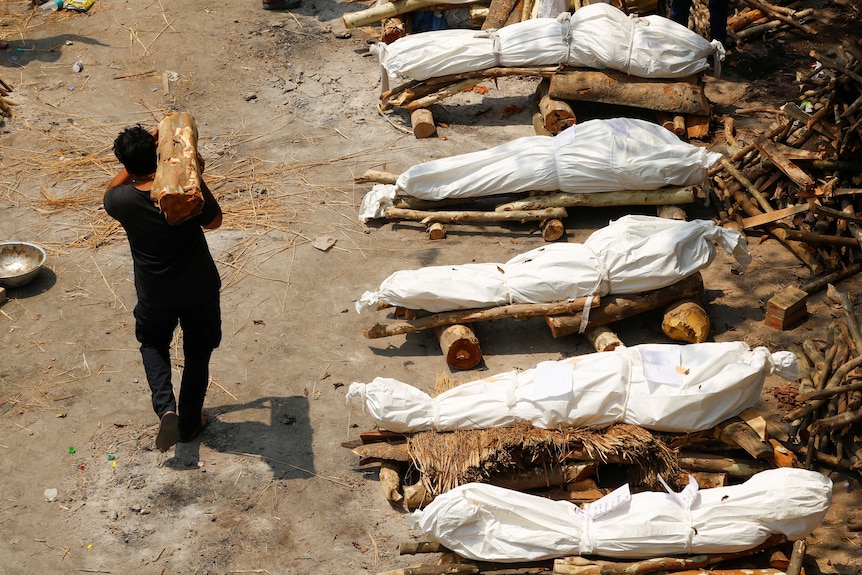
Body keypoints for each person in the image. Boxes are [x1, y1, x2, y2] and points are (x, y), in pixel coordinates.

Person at [104, 124, 223, 453]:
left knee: (153, 343)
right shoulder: (181, 194)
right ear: (157, 156)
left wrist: (133, 164)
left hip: (155, 294)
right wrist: (195, 175)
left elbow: (112, 186)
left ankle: (166, 408)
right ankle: (188, 424)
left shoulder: (120, 200)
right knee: (197, 356)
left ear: (125, 165)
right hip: (199, 288)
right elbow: (215, 222)